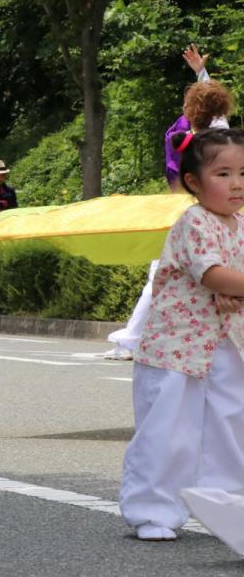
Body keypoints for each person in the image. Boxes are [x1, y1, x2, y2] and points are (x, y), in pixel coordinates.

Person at [119, 127, 244, 541]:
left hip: (226, 343)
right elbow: (212, 273)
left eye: (243, 173)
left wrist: (232, 290)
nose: (237, 184)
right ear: (193, 181)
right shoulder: (195, 221)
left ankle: (225, 504)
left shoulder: (240, 223)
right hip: (178, 344)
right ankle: (153, 510)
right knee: (169, 427)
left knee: (228, 423)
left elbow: (232, 281)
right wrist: (227, 286)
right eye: (223, 174)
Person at [105, 46, 234, 360]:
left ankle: (132, 340)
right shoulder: (223, 139)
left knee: (160, 275)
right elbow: (216, 112)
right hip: (222, 214)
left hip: (183, 211)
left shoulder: (180, 137)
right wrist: (201, 75)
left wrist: (200, 77)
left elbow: (208, 112)